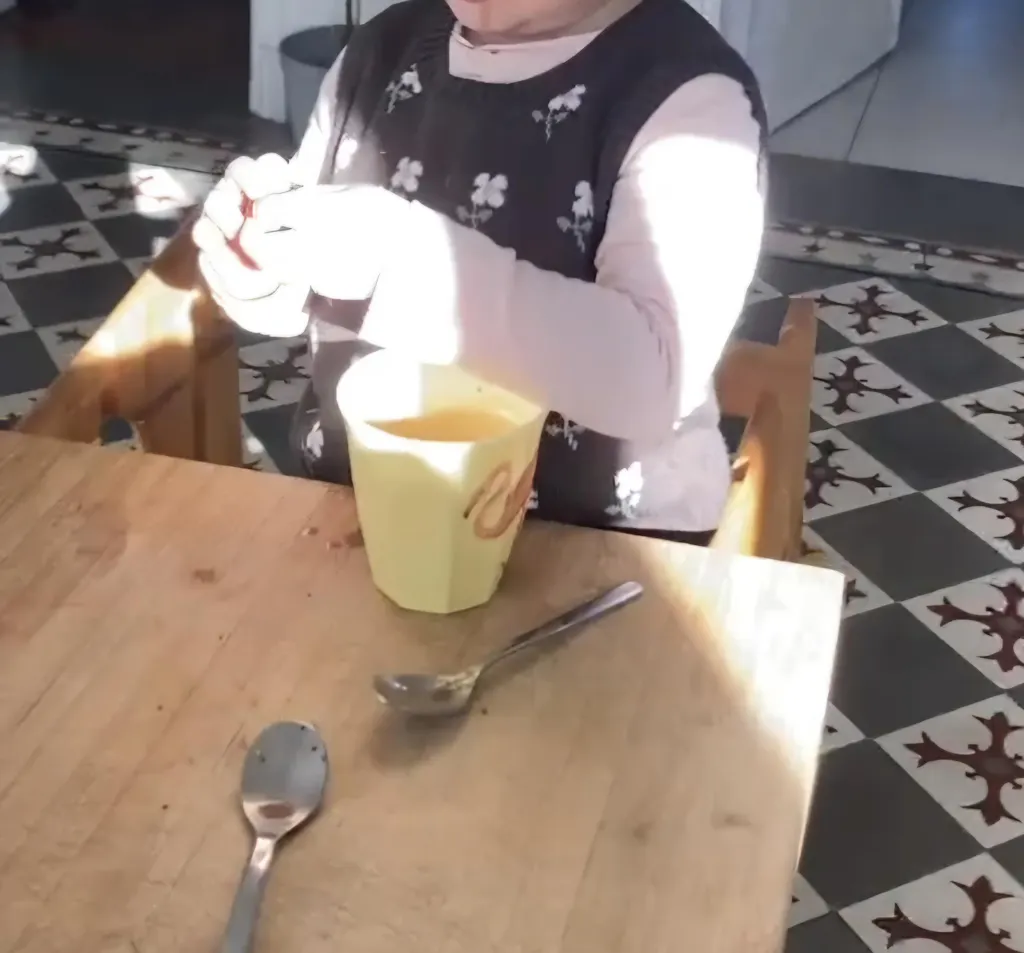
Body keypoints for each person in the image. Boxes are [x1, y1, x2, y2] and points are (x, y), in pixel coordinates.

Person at [192, 0, 767, 545]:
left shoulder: (691, 104)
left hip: (603, 542)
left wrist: (403, 263)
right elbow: (309, 280)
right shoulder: (378, 54)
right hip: (366, 507)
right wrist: (263, 275)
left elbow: (654, 376)